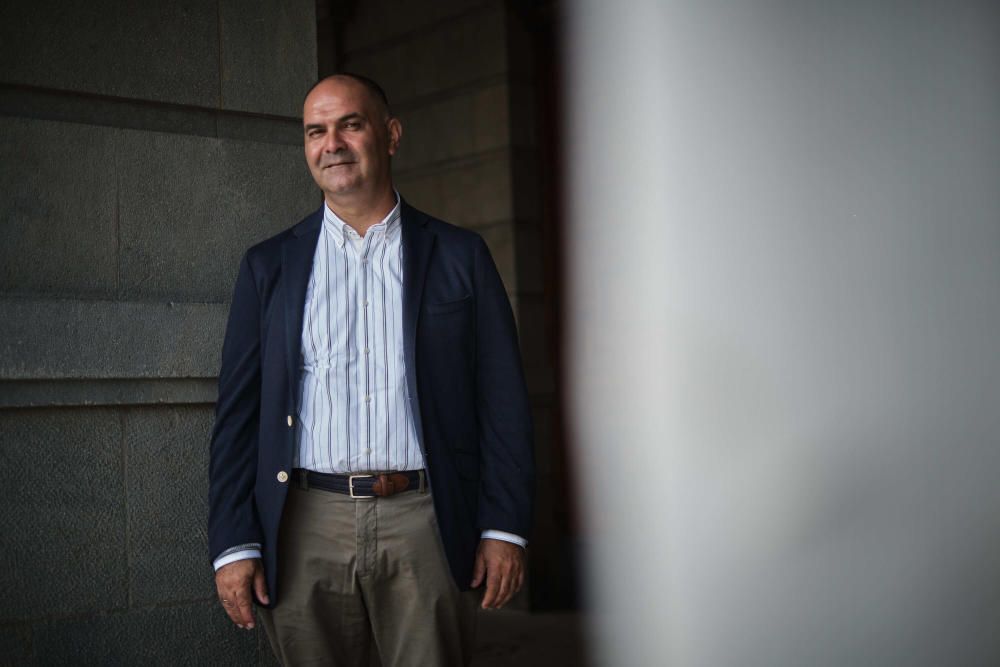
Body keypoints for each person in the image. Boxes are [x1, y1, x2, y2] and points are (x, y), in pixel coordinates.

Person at [207, 73, 535, 666]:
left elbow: (504, 401)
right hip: (303, 524)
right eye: (315, 131)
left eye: (349, 125)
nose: (331, 143)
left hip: (427, 522)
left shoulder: (460, 256)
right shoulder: (268, 267)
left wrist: (503, 527)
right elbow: (238, 415)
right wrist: (233, 543)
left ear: (390, 135)